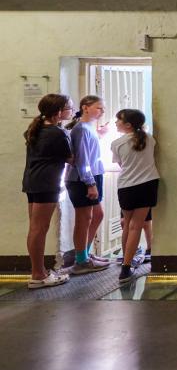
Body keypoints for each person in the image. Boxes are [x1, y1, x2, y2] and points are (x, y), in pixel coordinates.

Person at [22, 94, 74, 289]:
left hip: (32, 181)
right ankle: (38, 275)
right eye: (69, 106)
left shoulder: (35, 129)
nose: (72, 109)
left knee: (35, 228)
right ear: (59, 112)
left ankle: (39, 270)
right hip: (46, 183)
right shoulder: (57, 133)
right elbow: (71, 159)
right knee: (40, 229)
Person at [111, 109, 159, 284]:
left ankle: (127, 263)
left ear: (128, 125)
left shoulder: (116, 143)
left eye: (118, 120)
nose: (116, 122)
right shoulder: (149, 139)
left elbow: (121, 163)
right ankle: (126, 267)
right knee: (136, 226)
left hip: (126, 186)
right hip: (147, 184)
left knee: (127, 225)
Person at [65, 95, 110, 274]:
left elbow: (91, 151)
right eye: (99, 108)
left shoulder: (88, 128)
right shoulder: (81, 129)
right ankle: (81, 260)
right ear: (85, 107)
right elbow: (82, 160)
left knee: (97, 215)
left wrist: (100, 135)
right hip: (82, 179)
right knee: (84, 219)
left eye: (103, 109)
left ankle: (84, 253)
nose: (102, 112)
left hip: (93, 176)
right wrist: (90, 183)